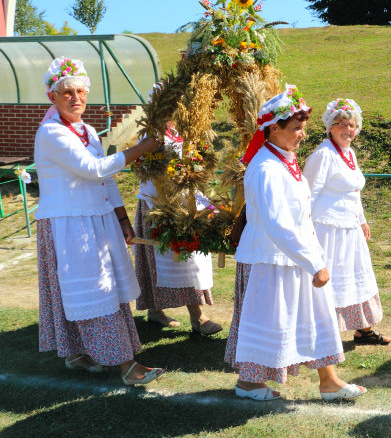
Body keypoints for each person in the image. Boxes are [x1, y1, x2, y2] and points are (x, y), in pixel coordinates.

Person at [228, 85, 366, 401]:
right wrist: (314, 262)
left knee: (316, 315)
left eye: (303, 128)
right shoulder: (265, 167)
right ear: (273, 129)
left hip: (291, 256)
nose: (302, 134)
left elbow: (300, 214)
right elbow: (277, 223)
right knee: (267, 319)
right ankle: (249, 383)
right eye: (296, 129)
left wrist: (313, 256)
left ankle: (328, 380)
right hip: (268, 259)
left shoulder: (284, 159)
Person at [34, 57, 163, 385]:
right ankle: (127, 366)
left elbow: (105, 179)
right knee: (95, 290)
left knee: (107, 290)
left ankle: (77, 354)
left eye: (80, 91)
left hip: (95, 220)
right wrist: (141, 149)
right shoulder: (51, 133)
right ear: (53, 97)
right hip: (69, 224)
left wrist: (122, 218)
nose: (75, 97)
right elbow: (93, 169)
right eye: (66, 92)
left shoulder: (87, 131)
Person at [133, 85, 222, 335]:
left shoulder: (181, 135)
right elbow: (149, 175)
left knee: (192, 260)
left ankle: (197, 315)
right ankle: (170, 313)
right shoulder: (150, 138)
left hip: (185, 203)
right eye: (170, 105)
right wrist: (166, 205)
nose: (175, 109)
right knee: (169, 259)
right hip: (159, 207)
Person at [302, 99, 391, 345]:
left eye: (352, 125)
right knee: (331, 280)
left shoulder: (348, 153)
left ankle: (364, 330)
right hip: (327, 231)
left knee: (357, 277)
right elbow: (308, 195)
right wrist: (306, 231)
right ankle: (318, 334)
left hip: (349, 229)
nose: (348, 130)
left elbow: (354, 191)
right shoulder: (323, 155)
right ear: (330, 126)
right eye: (342, 124)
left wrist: (361, 221)